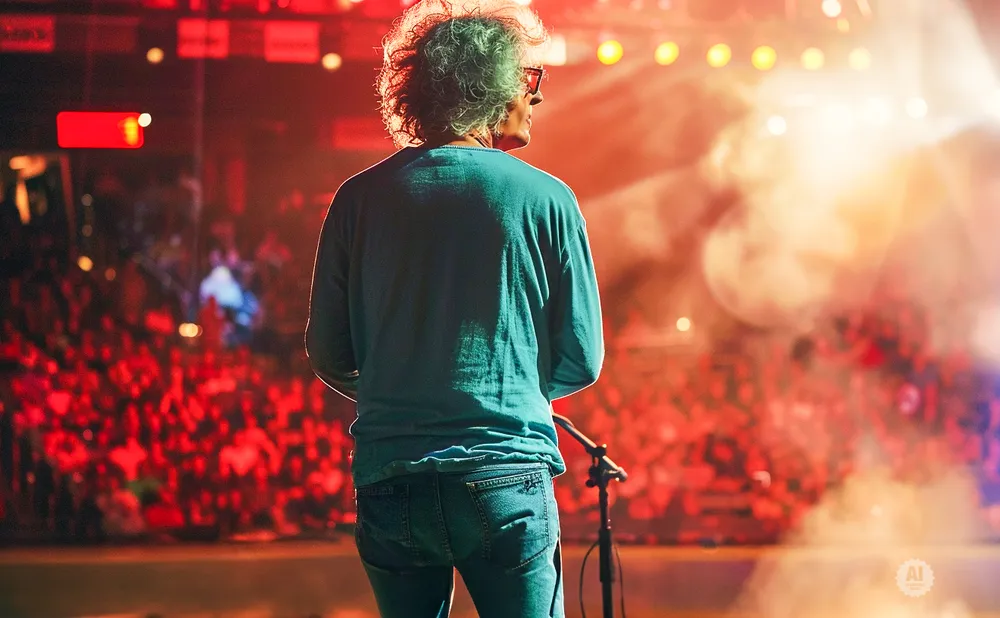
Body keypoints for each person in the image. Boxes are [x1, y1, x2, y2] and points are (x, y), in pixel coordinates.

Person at [305, 1, 604, 616]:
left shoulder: (357, 199)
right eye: (529, 79)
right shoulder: (548, 199)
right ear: (488, 87)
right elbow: (583, 357)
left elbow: (329, 354)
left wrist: (405, 388)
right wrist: (507, 389)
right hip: (505, 477)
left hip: (391, 479)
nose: (536, 96)